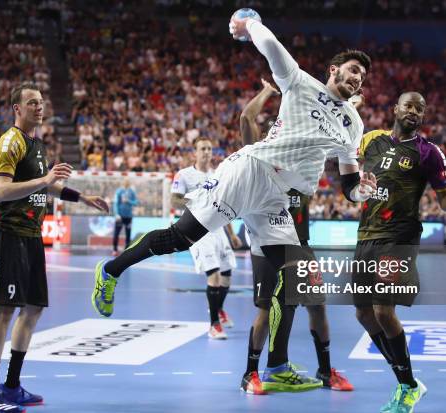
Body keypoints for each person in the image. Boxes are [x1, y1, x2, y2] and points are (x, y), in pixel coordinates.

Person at [91, 13, 375, 392]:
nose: (358, 78)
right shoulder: (300, 83)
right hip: (250, 171)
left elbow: (350, 182)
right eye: (353, 70)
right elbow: (272, 46)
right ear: (334, 70)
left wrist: (362, 192)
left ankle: (275, 367)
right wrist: (249, 22)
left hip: (278, 199)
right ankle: (110, 271)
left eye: (362, 76)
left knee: (295, 281)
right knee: (180, 237)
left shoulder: (353, 124)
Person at [0, 83, 109, 413]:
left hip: (32, 237)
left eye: (41, 102)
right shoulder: (10, 142)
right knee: (5, 309)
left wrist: (82, 198)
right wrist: (45, 181)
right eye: (31, 102)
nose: (39, 107)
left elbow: (48, 185)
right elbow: (1, 191)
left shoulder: (36, 145)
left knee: (33, 308)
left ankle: (11, 386)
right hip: (9, 235)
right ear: (17, 109)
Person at [352, 92, 446, 413]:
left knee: (382, 311)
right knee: (363, 314)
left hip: (399, 238)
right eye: (409, 105)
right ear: (395, 109)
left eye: (420, 108)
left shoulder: (429, 153)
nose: (414, 111)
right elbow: (347, 166)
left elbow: (445, 200)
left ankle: (407, 386)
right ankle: (407, 381)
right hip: (366, 235)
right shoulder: (370, 141)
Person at [239, 78, 353, 394]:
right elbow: (246, 119)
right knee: (267, 307)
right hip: (267, 241)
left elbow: (335, 138)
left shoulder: (303, 156)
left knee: (317, 305)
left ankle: (324, 370)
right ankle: (252, 373)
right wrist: (267, 91)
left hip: (300, 244)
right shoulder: (258, 157)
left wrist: (347, 108)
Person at [171, 137, 242, 339]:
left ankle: (218, 308)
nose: (206, 152)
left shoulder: (217, 175)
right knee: (215, 276)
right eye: (202, 148)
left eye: (209, 148)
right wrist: (198, 202)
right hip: (197, 230)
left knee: (227, 275)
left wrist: (232, 234)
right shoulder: (184, 175)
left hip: (219, 229)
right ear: (195, 152)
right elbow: (174, 200)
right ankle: (214, 325)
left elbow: (223, 206)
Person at [112, 178, 138, 256]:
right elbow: (115, 203)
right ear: (123, 182)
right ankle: (115, 249)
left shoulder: (132, 192)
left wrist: (128, 201)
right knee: (116, 233)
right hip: (120, 216)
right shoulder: (119, 191)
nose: (126, 183)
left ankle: (126, 250)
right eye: (125, 181)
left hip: (128, 216)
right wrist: (116, 214)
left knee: (128, 233)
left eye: (128, 181)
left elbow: (136, 202)